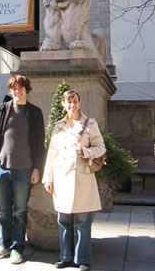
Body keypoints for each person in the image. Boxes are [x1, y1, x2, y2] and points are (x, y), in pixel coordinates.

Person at [42, 89, 106, 271]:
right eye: (69, 101)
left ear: (80, 103)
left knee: (83, 221)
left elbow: (101, 147)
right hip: (62, 178)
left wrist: (85, 152)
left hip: (82, 178)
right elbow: (52, 154)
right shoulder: (58, 126)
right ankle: (65, 256)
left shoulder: (90, 124)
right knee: (63, 220)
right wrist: (48, 178)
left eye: (75, 101)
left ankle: (83, 258)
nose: (72, 105)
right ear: (63, 104)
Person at [0, 75, 45, 264]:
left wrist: (37, 168)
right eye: (13, 88)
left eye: (20, 88)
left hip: (24, 169)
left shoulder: (35, 112)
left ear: (27, 89)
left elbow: (39, 143)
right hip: (2, 168)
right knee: (1, 211)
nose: (17, 91)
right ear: (10, 91)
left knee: (20, 211)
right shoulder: (2, 110)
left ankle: (17, 248)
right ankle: (4, 244)